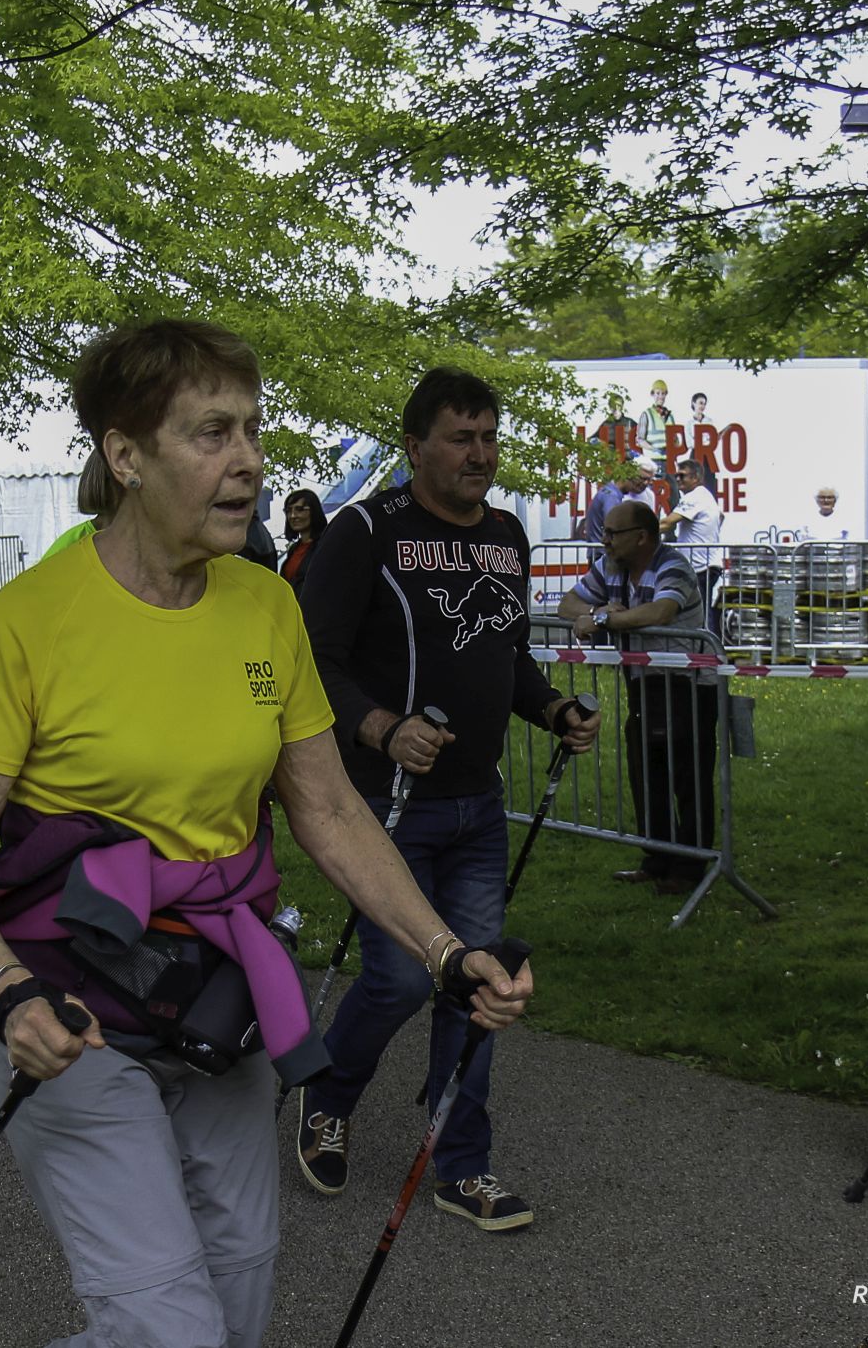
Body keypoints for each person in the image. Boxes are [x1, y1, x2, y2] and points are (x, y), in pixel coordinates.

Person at [0, 319, 533, 1347]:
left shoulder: (264, 605)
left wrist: (446, 953)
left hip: (216, 996)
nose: (247, 460)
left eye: (250, 429)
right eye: (211, 433)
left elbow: (329, 808)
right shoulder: (31, 619)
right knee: (173, 1327)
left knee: (235, 1308)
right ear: (126, 455)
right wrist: (5, 991)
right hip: (67, 1001)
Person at [296, 365, 596, 1233]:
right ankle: (329, 1094)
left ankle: (460, 1163)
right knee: (396, 979)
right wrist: (380, 728)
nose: (480, 454)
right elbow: (314, 659)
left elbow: (506, 653)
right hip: (387, 806)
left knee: (479, 983)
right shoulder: (366, 530)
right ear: (414, 446)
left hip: (478, 807)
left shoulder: (505, 535)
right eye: (461, 438)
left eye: (490, 437)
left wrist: (553, 709)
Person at [558, 499, 714, 896]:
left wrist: (601, 619)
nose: (604, 540)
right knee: (647, 773)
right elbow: (567, 604)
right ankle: (657, 860)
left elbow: (659, 612)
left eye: (613, 533)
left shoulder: (673, 566)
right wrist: (597, 609)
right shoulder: (611, 566)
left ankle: (690, 868)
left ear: (641, 537)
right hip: (644, 683)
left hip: (688, 685)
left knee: (688, 777)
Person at [661, 457, 723, 571]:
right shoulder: (705, 495)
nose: (678, 479)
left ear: (695, 478)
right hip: (708, 564)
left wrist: (640, 533)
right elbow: (721, 516)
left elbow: (667, 523)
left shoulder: (695, 496)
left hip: (700, 567)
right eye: (676, 476)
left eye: (682, 476)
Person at [580, 453, 655, 545]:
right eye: (642, 478)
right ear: (628, 474)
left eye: (649, 480)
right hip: (605, 551)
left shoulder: (611, 493)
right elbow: (616, 526)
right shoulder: (611, 496)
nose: (645, 483)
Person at [278, 487, 324, 595]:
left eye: (299, 509)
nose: (293, 516)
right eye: (289, 511)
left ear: (313, 511)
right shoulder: (294, 549)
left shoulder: (324, 546)